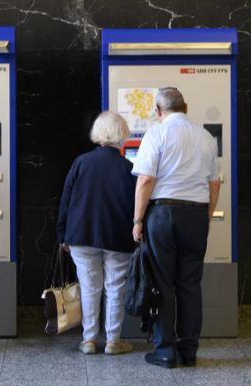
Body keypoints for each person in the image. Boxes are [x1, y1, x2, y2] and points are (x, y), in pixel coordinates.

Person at [131, 87, 220, 369]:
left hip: (163, 213)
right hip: (195, 214)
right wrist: (206, 217)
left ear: (158, 111)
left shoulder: (156, 134)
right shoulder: (206, 137)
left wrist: (137, 220)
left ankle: (166, 351)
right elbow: (214, 184)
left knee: (162, 283)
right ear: (186, 106)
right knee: (190, 284)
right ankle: (189, 351)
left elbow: (145, 180)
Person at [56, 111, 136, 356]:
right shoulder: (128, 167)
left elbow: (66, 201)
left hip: (81, 234)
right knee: (115, 287)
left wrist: (62, 235)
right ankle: (113, 341)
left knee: (89, 287)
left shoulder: (81, 162)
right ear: (122, 134)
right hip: (118, 236)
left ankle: (89, 340)